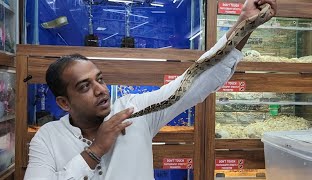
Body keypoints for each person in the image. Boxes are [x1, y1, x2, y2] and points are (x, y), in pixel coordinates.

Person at [24, 0, 277, 179]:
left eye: (99, 79)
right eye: (85, 86)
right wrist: (96, 150)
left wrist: (245, 23)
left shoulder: (134, 112)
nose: (101, 90)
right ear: (64, 103)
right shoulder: (47, 138)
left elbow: (194, 81)